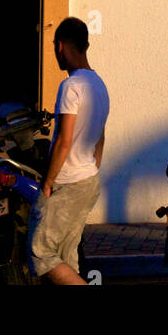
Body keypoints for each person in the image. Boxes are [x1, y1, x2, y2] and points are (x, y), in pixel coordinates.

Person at [27, 16, 109, 285]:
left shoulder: (71, 86)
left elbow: (64, 139)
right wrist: (93, 166)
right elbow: (100, 136)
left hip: (68, 182)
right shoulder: (99, 85)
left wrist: (48, 182)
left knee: (41, 253)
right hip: (88, 180)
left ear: (60, 46)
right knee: (66, 256)